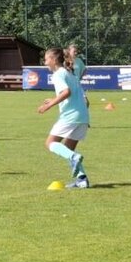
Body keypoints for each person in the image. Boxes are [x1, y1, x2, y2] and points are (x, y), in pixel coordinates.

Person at [38, 47, 91, 188]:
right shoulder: (70, 73)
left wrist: (49, 106)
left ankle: (74, 158)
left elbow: (66, 92)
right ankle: (82, 180)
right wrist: (53, 99)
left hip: (71, 116)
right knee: (68, 147)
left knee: (49, 143)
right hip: (83, 116)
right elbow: (76, 95)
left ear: (54, 60)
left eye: (46, 59)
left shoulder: (58, 74)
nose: (45, 63)